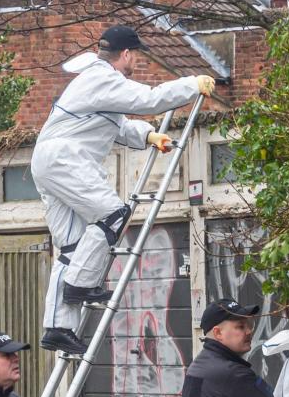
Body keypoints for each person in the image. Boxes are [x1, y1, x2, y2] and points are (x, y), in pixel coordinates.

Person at [32, 24, 215, 355]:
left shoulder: (93, 81)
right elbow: (148, 99)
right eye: (137, 55)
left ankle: (58, 326)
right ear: (127, 53)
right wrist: (192, 85)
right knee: (114, 215)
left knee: (72, 248)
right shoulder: (104, 78)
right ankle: (79, 285)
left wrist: (147, 136)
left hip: (49, 161)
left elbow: (115, 124)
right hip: (66, 160)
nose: (137, 62)